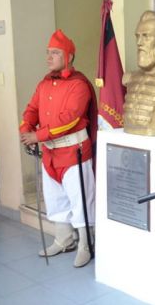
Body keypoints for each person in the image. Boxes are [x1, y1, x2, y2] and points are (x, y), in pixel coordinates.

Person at [19, 29, 98, 268]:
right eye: (48, 53)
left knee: (81, 201)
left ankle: (86, 244)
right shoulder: (44, 84)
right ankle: (64, 239)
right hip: (50, 154)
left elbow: (70, 119)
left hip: (74, 153)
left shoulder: (79, 84)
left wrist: (37, 135)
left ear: (69, 56)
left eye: (54, 52)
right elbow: (32, 108)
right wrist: (25, 128)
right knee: (55, 200)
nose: (49, 57)